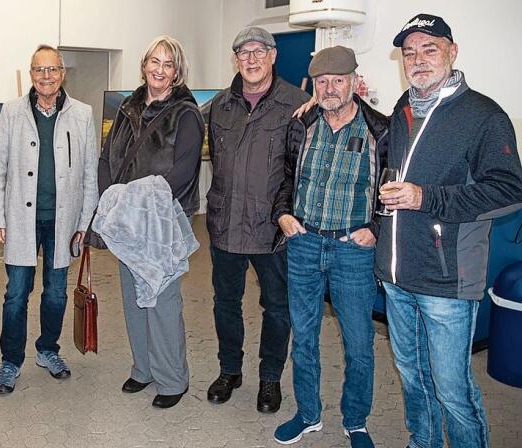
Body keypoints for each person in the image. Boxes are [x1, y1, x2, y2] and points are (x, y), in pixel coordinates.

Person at [375, 14, 522, 448]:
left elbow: (509, 191)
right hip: (398, 277)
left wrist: (426, 198)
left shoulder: (483, 115)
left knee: (454, 391)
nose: (418, 60)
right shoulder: (403, 109)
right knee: (413, 378)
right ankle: (422, 442)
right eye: (409, 53)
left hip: (447, 282)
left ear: (452, 52)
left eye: (429, 49)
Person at [271, 46, 387, 448]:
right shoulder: (301, 125)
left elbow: (390, 189)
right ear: (314, 86)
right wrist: (283, 213)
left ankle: (356, 420)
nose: (331, 88)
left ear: (355, 82)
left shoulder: (380, 130)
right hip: (304, 244)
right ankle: (307, 414)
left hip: (353, 250)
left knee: (358, 342)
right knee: (303, 336)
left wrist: (376, 226)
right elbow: (284, 176)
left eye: (339, 80)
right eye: (323, 82)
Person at [93, 35, 203, 409]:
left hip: (162, 220)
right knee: (133, 297)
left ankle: (172, 379)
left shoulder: (186, 113)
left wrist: (137, 202)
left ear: (176, 72)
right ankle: (144, 368)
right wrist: (112, 199)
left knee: (162, 299)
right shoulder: (127, 107)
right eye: (154, 61)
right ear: (144, 66)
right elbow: (108, 159)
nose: (159, 69)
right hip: (127, 221)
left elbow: (184, 170)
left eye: (167, 64)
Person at [205, 25, 309, 411]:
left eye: (258, 51)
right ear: (236, 60)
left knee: (277, 307)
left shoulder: (298, 104)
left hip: (273, 230)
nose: (251, 59)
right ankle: (230, 370)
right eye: (243, 53)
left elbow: (300, 170)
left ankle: (270, 379)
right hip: (226, 225)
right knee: (225, 303)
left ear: (273, 56)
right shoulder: (220, 105)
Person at [0, 44, 99, 394]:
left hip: (63, 223)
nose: (46, 77)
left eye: (52, 70)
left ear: (62, 73)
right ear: (31, 74)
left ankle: (48, 350)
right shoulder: (13, 112)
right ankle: (10, 360)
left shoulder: (82, 114)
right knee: (16, 293)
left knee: (55, 294)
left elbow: (89, 174)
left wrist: (84, 222)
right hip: (22, 217)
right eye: (39, 70)